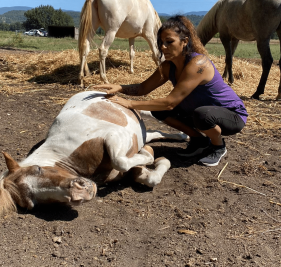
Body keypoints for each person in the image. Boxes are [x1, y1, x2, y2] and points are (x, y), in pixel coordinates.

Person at [93, 16, 247, 167]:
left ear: (184, 41)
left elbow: (169, 103)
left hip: (232, 115)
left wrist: (129, 104)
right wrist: (120, 87)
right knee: (159, 111)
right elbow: (143, 88)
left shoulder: (198, 64)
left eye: (169, 42)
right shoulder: (168, 66)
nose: (163, 47)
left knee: (202, 115)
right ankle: (198, 140)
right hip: (197, 112)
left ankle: (218, 146)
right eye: (161, 43)